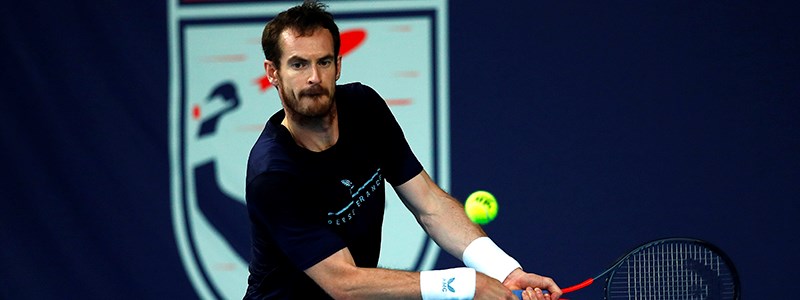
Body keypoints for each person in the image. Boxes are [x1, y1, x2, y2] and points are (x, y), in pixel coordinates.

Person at [244, 1, 561, 299]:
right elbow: (343, 283)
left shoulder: (364, 108)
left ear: (338, 65)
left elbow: (429, 204)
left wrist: (504, 269)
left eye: (323, 61)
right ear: (272, 72)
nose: (314, 77)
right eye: (298, 64)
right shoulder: (273, 173)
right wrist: (464, 284)